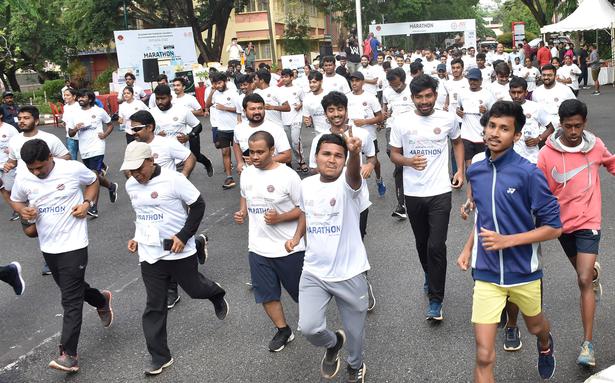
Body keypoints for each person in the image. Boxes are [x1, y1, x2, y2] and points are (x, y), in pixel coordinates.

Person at [457, 100, 562, 382]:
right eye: (492, 125)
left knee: (535, 326)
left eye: (504, 128)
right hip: (487, 273)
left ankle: (545, 343)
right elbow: (483, 216)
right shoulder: (476, 170)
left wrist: (508, 240)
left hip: (523, 272)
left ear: (516, 136)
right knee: (483, 354)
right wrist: (468, 248)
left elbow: (554, 228)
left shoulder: (529, 173)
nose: (494, 133)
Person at [121, 141, 228, 376]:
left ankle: (215, 293)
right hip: (150, 253)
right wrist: (137, 237)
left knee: (195, 289)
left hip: (179, 249)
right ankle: (160, 356)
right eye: (131, 170)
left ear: (151, 160)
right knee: (154, 305)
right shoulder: (131, 184)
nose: (136, 175)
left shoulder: (174, 179)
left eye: (139, 169)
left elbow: (198, 206)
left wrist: (183, 235)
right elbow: (142, 215)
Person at [11, 139, 113, 373]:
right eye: (32, 168)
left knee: (70, 299)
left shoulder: (71, 168)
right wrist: (22, 210)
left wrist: (87, 203)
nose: (36, 172)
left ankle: (69, 354)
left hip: (74, 242)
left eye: (40, 167)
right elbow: (16, 200)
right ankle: (101, 300)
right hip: (48, 245)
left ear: (50, 158)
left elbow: (93, 181)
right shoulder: (24, 177)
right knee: (73, 289)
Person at [285, 131, 370, 383]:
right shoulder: (306, 185)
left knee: (356, 334)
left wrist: (355, 154)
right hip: (314, 272)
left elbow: (354, 177)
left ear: (344, 160)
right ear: (316, 157)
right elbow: (305, 213)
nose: (332, 160)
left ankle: (356, 366)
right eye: (326, 154)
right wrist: (297, 236)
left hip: (350, 273)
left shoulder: (349, 184)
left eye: (338, 156)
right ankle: (333, 344)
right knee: (309, 328)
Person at [537, 99, 614, 367]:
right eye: (568, 126)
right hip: (562, 225)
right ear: (560, 124)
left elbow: (611, 164)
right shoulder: (546, 155)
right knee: (584, 273)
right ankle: (593, 273)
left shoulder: (596, 147)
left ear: (585, 123)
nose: (573, 132)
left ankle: (588, 344)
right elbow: (541, 192)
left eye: (578, 126)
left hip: (589, 221)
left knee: (582, 281)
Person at [389, 74, 464, 320]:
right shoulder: (401, 122)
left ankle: (436, 300)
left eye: (428, 96)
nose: (424, 101)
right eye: (419, 97)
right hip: (413, 193)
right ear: (412, 98)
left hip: (440, 192)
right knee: (422, 244)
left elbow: (457, 142)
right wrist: (408, 161)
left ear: (435, 95)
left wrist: (460, 170)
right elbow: (394, 155)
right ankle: (428, 273)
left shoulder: (448, 118)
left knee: (436, 245)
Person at [234, 130, 305, 352]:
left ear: (272, 151)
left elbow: (305, 210)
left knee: (301, 294)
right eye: (250, 152)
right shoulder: (247, 173)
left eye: (259, 152)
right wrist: (242, 211)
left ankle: (317, 326)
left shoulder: (288, 176)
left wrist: (281, 217)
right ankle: (283, 329)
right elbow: (245, 194)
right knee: (266, 294)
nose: (254, 157)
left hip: (288, 248)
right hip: (258, 246)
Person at [67, 89, 118, 218]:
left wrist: (105, 134)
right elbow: (70, 133)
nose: (80, 99)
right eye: (79, 97)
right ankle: (111, 186)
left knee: (94, 175)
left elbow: (110, 125)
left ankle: (93, 206)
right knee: (92, 175)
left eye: (83, 97)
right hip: (84, 148)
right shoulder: (74, 114)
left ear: (90, 99)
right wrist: (76, 128)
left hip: (98, 147)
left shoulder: (99, 111)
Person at [152, 84, 213, 178]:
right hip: (161, 159)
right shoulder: (151, 113)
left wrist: (188, 136)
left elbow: (198, 126)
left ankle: (207, 162)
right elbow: (146, 132)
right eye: (157, 99)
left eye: (163, 98)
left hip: (180, 159)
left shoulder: (182, 110)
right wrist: (155, 134)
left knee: (179, 188)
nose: (160, 102)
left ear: (170, 97)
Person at [233, 93, 291, 176]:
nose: (257, 112)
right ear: (244, 111)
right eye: (252, 109)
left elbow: (287, 156)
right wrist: (240, 162)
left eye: (260, 108)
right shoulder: (239, 129)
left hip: (274, 176)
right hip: (250, 175)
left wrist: (259, 161)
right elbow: (236, 143)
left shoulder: (275, 129)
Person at [383, 67, 414, 219]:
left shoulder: (413, 90)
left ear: (403, 80)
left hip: (411, 130)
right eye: (392, 85)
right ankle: (401, 205)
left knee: (408, 164)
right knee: (396, 161)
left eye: (397, 85)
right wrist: (385, 113)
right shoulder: (387, 91)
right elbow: (385, 106)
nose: (395, 88)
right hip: (392, 128)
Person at [347, 71, 385, 196]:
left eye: (357, 80)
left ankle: (379, 179)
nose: (354, 83)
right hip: (352, 136)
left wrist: (365, 121)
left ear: (362, 82)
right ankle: (354, 186)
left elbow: (380, 117)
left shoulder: (370, 97)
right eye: (352, 81)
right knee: (353, 161)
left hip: (369, 135)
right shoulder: (347, 97)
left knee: (374, 161)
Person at [170, 77, 214, 176]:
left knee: (195, 155)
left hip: (191, 130)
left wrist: (187, 112)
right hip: (178, 131)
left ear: (184, 87)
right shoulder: (171, 99)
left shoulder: (190, 98)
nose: (175, 87)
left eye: (178, 85)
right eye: (174, 85)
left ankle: (207, 162)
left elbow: (200, 111)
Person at [508, 76, 554, 164]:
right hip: (510, 158)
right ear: (509, 92)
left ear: (526, 93)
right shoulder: (504, 108)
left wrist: (538, 139)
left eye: (519, 92)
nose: (516, 96)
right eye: (513, 92)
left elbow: (551, 128)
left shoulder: (536, 107)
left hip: (531, 158)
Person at [456, 68, 495, 169]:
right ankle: (470, 184)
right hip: (466, 135)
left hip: (482, 136)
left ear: (481, 80)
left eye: (475, 80)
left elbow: (495, 115)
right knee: (469, 166)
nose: (472, 82)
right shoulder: (462, 93)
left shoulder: (488, 95)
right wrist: (458, 112)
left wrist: (486, 112)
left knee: (483, 165)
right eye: (470, 79)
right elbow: (459, 107)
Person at [205, 72, 239, 188]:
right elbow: (207, 105)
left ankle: (244, 174)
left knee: (238, 152)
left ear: (225, 81)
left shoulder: (233, 93)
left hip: (235, 128)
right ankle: (229, 177)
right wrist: (211, 92)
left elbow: (239, 110)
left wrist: (225, 108)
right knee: (225, 152)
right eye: (215, 83)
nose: (218, 85)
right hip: (222, 129)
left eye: (219, 83)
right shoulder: (214, 93)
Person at [531, 64, 575, 130]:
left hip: (561, 128)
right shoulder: (536, 92)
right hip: (542, 130)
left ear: (555, 76)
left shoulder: (565, 90)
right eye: (544, 75)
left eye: (549, 75)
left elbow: (575, 108)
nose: (546, 77)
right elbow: (534, 112)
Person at [279, 69, 307, 172]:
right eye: (283, 77)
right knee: (286, 143)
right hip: (284, 119)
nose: (284, 79)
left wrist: (300, 105)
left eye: (286, 76)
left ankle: (301, 161)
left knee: (295, 141)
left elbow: (305, 100)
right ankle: (288, 162)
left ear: (291, 77)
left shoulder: (298, 89)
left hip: (296, 118)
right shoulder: (279, 90)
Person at [0, 108, 19, 218]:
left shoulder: (9, 129)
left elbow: (19, 142)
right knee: (2, 189)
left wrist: (12, 150)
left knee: (10, 188)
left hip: (8, 164)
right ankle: (16, 210)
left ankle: (23, 206)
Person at [62, 88, 81, 160]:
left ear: (74, 96)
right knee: (72, 158)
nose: (65, 97)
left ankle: (101, 166)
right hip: (70, 136)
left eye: (68, 95)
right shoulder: (65, 107)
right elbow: (65, 119)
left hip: (81, 135)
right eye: (64, 95)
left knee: (87, 157)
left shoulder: (79, 106)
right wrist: (63, 122)